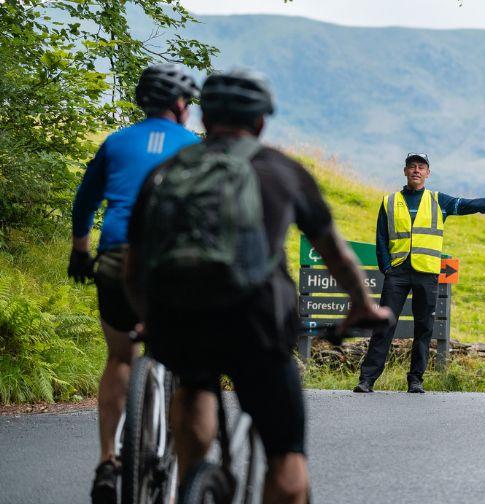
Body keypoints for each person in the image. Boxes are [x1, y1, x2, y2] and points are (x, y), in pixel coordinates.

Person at [123, 68, 392, 504]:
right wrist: (362, 306)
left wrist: (149, 320)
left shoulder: (166, 173)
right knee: (287, 457)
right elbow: (337, 255)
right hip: (257, 323)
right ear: (261, 122)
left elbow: (133, 268)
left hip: (177, 318)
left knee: (193, 382)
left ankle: (194, 478)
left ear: (202, 118)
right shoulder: (281, 170)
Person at [68, 63, 200, 503]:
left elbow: (85, 202)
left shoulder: (116, 142)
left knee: (120, 358)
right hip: (173, 264)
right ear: (181, 105)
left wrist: (80, 251)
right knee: (185, 358)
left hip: (117, 257)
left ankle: (108, 460)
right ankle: (187, 465)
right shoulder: (196, 147)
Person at [355, 153, 485, 394]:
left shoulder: (438, 201)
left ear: (428, 173)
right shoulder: (389, 201)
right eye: (412, 167)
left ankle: (415, 380)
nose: (416, 170)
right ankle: (367, 379)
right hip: (397, 273)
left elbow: (473, 205)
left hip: (426, 273)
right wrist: (386, 268)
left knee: (424, 328)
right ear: (405, 171)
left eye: (421, 167)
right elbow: (380, 238)